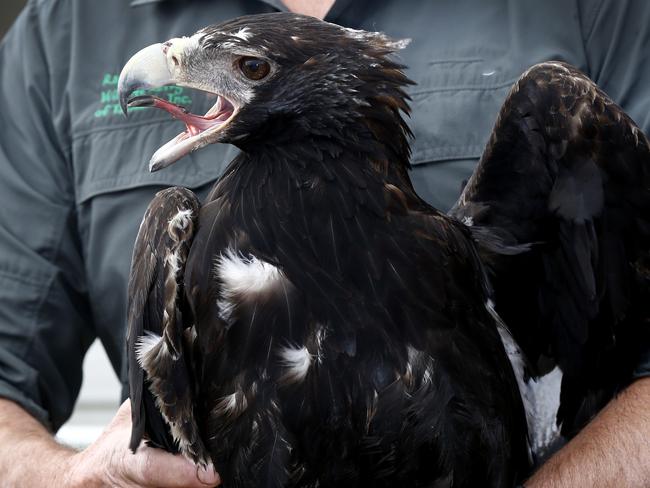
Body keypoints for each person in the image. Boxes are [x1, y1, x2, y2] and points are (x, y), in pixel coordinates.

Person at [0, 0, 648, 486]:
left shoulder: (598, 11)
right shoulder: (66, 31)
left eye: (248, 69)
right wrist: (71, 476)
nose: (167, 70)